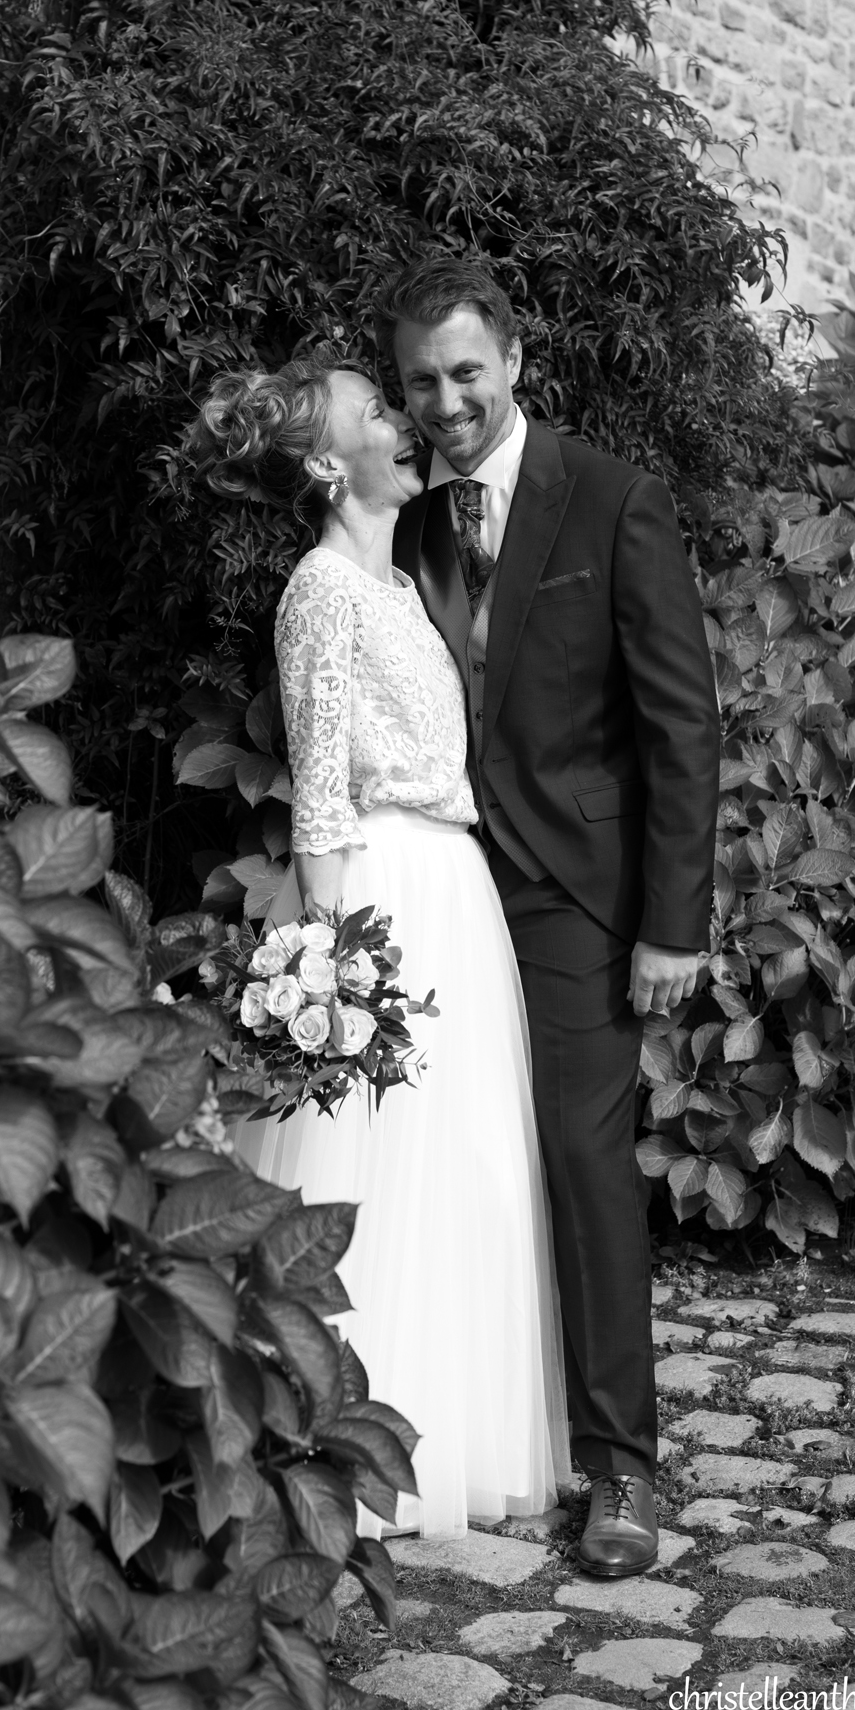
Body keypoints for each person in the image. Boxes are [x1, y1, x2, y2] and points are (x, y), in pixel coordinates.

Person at [191, 352, 571, 1537]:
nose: (404, 420)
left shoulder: (405, 583)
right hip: (382, 894)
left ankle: (451, 1431)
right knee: (374, 1165)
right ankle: (337, 1438)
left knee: (465, 1162)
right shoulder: (320, 590)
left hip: (455, 888)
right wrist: (330, 962)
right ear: (324, 462)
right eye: (374, 409)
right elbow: (318, 792)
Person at [385, 253, 720, 1579]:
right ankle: (459, 1432)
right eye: (422, 380)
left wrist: (672, 923)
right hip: (434, 883)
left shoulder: (611, 499)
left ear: (515, 360)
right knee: (447, 1157)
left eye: (466, 371)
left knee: (583, 1163)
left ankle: (620, 1466)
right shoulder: (400, 514)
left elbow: (679, 723)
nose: (446, 401)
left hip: (569, 892)